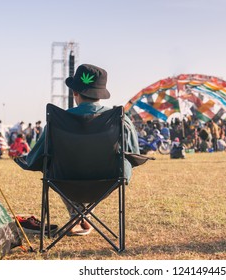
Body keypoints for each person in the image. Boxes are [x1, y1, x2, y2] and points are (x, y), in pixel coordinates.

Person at [20, 64, 140, 236]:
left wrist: (27, 161)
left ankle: (77, 215)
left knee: (52, 167)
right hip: (109, 180)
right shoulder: (120, 120)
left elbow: (36, 157)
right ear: (101, 95)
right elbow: (133, 152)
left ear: (74, 93)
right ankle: (81, 217)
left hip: (65, 182)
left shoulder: (58, 121)